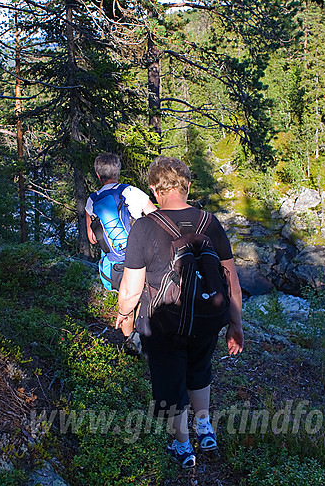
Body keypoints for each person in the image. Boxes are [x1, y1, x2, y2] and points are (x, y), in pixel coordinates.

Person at [115, 156, 244, 469]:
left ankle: (183, 446)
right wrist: (235, 325)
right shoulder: (209, 222)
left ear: (155, 190)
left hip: (165, 322)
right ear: (187, 186)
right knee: (199, 368)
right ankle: (205, 428)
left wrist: (125, 316)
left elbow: (131, 289)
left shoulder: (145, 227)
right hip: (208, 317)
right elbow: (231, 280)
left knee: (171, 380)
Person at [85, 153, 157, 291]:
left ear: (98, 176)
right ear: (118, 173)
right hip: (141, 261)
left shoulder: (92, 200)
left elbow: (92, 239)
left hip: (114, 268)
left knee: (125, 300)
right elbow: (158, 219)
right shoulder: (131, 191)